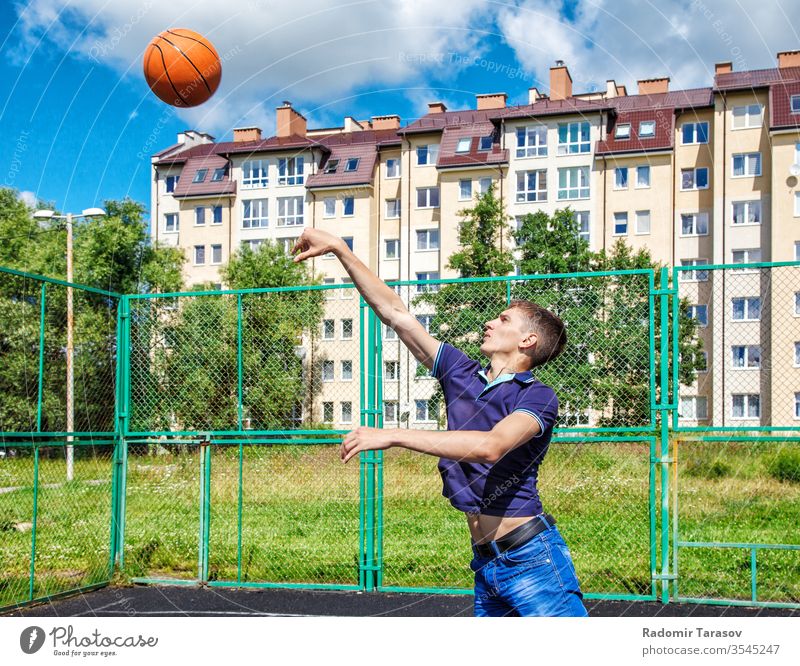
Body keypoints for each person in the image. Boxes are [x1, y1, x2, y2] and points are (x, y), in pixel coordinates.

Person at [292, 228, 587, 617]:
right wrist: (341, 250)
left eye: (503, 320)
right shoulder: (460, 372)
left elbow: (490, 446)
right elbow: (396, 314)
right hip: (486, 564)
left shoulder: (537, 396)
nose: (489, 323)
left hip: (532, 559)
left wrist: (393, 435)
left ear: (528, 341)